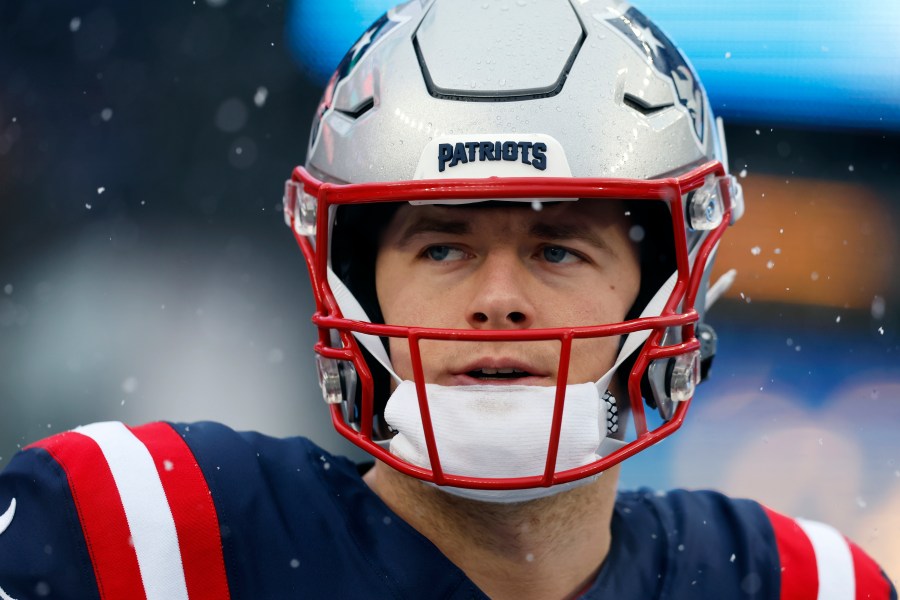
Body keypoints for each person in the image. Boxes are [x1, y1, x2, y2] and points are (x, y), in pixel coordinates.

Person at [0, 1, 895, 598]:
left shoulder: (797, 582)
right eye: (442, 245)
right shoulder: (144, 532)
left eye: (556, 249)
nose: (498, 300)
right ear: (357, 283)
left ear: (668, 285)